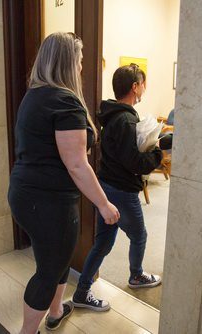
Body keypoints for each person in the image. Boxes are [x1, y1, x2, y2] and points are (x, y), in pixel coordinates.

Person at [7, 32, 120, 334]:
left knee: (56, 259)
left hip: (27, 194)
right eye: (81, 61)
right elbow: (76, 164)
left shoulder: (35, 95)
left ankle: (55, 311)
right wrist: (103, 203)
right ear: (70, 63)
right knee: (48, 271)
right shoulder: (64, 100)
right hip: (48, 201)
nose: (82, 66)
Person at [72, 64, 172, 311]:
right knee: (139, 235)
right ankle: (136, 276)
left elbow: (124, 152)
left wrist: (156, 143)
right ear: (135, 87)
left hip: (106, 187)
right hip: (122, 192)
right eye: (142, 84)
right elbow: (135, 163)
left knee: (103, 243)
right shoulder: (126, 119)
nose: (144, 89)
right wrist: (158, 154)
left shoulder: (113, 115)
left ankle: (82, 290)